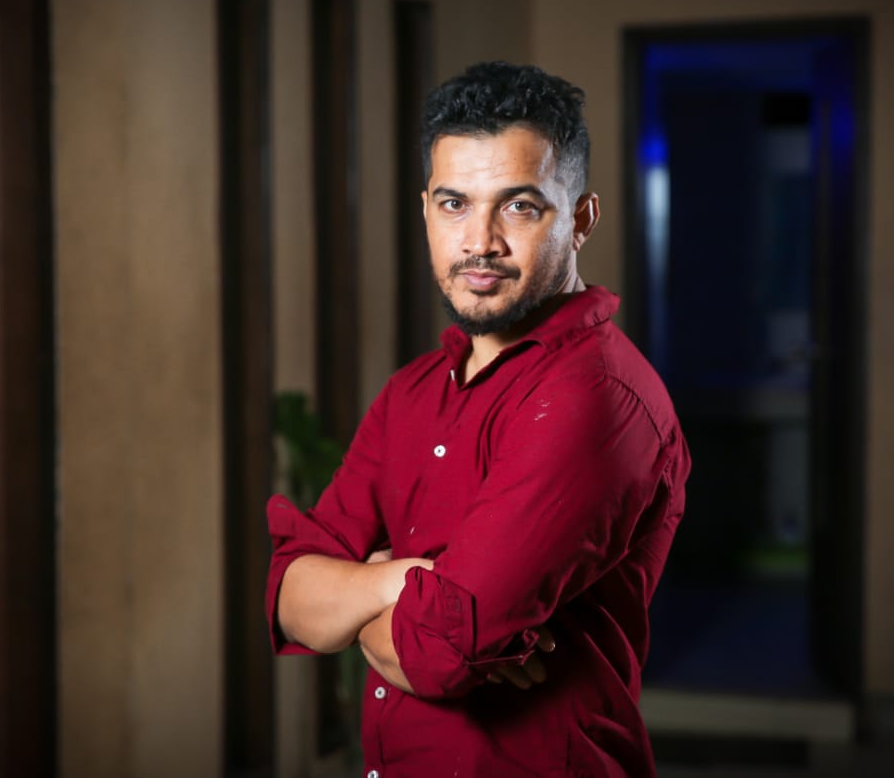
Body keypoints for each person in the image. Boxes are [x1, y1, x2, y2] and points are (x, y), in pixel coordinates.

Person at [266, 61, 690, 776]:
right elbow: (287, 593)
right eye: (455, 204)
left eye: (519, 206)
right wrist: (403, 583)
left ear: (581, 219)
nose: (480, 241)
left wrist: (359, 591)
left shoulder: (597, 398)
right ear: (426, 209)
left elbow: (440, 655)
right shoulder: (412, 392)